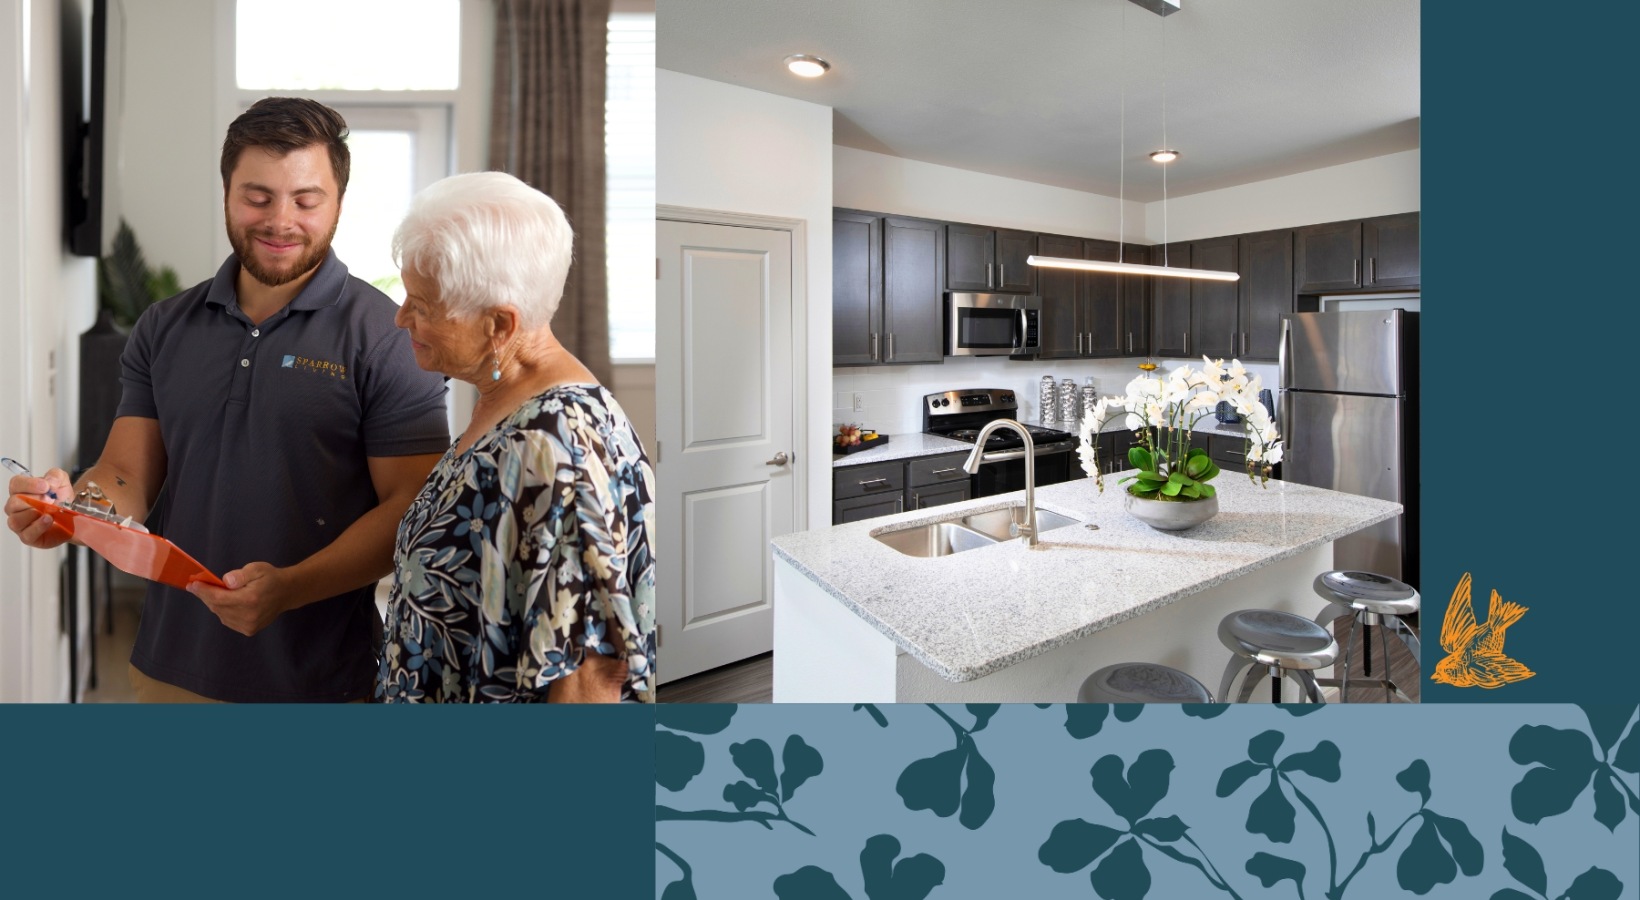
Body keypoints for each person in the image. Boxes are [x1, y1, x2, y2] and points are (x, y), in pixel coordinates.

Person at [3, 98, 451, 702]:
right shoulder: (164, 326)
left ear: (339, 202)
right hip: (168, 670)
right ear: (226, 193)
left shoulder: (388, 335)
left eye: (305, 200)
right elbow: (123, 475)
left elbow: (410, 508)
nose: (280, 220)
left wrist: (287, 588)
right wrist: (71, 512)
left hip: (324, 684)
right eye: (257, 197)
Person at [379, 171, 655, 703]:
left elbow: (589, 681)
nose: (399, 318)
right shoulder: (503, 405)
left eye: (423, 306)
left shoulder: (555, 447)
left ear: (499, 325)